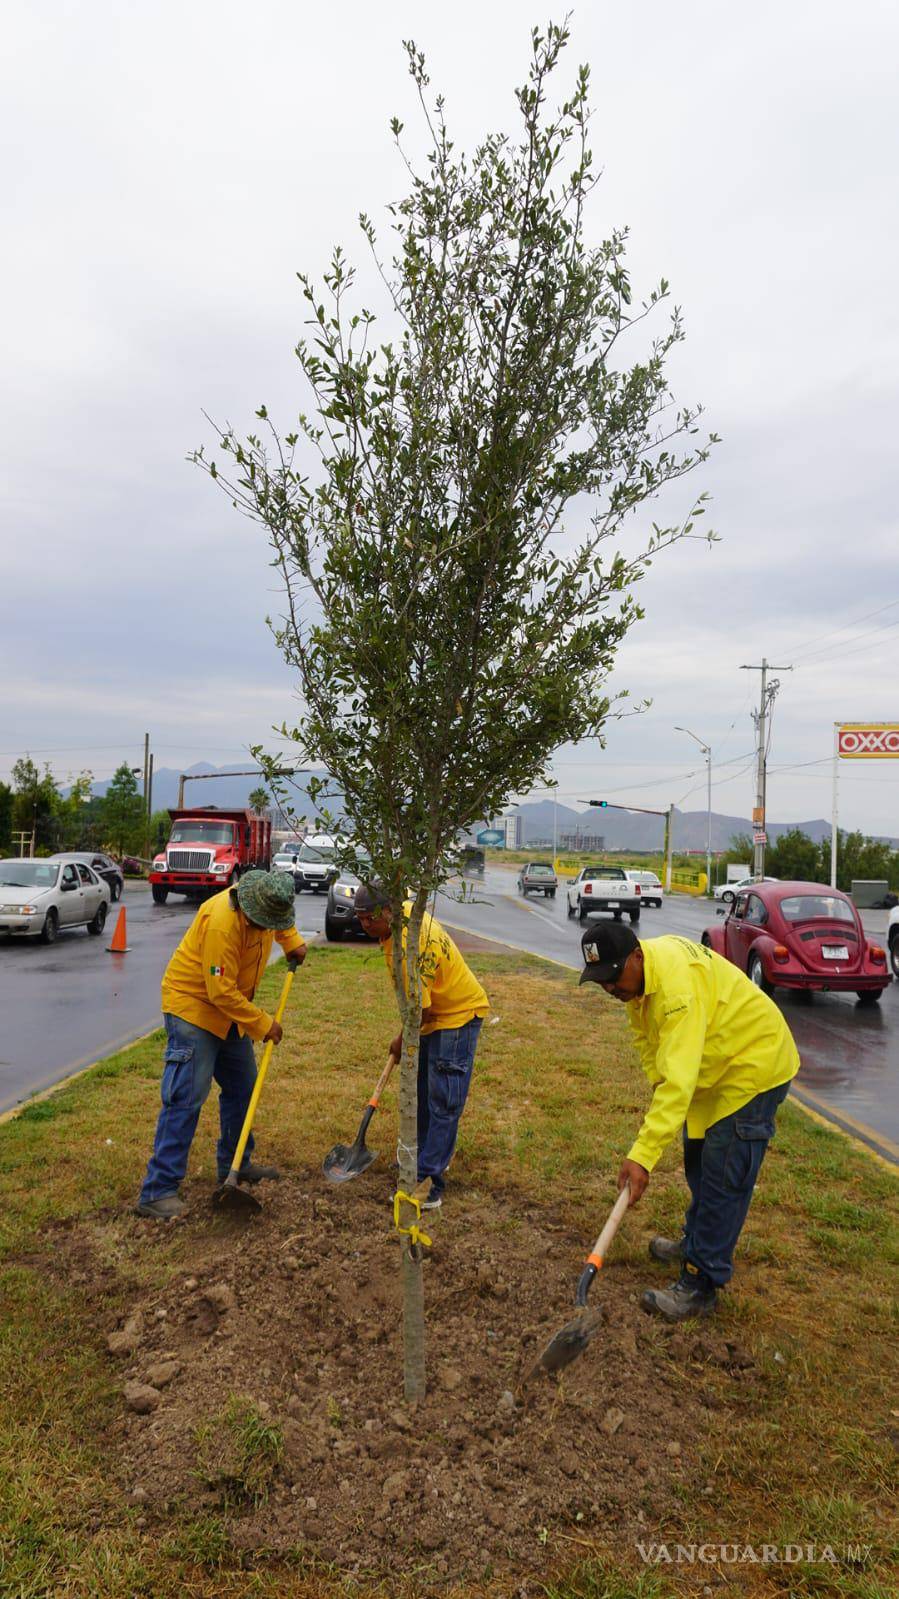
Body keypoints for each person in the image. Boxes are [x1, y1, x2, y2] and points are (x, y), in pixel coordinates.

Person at [579, 922, 799, 1321]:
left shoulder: (675, 989)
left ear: (637, 956)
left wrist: (642, 1155)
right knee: (698, 1158)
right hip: (714, 1068)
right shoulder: (639, 984)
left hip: (752, 1064)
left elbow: (678, 1083)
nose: (610, 989)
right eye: (601, 982)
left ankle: (700, 1283)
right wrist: (661, 1094)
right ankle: (697, 1241)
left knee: (722, 1173)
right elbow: (651, 1050)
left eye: (613, 977)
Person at [135, 869, 306, 1218]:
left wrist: (292, 941)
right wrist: (263, 1024)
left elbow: (280, 918)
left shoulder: (264, 901)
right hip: (194, 1009)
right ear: (247, 908)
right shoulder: (221, 924)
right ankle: (158, 1190)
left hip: (230, 1013)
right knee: (186, 1096)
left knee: (243, 1088)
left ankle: (236, 1164)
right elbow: (219, 991)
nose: (268, 927)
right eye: (265, 922)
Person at [354, 884, 489, 1211]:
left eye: (368, 919)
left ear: (386, 911)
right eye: (359, 918)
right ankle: (421, 1164)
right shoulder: (404, 921)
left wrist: (402, 1039)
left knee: (443, 1099)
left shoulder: (409, 942)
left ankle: (428, 1185)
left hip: (456, 1017)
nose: (363, 926)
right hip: (434, 1014)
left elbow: (421, 1010)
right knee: (424, 1093)